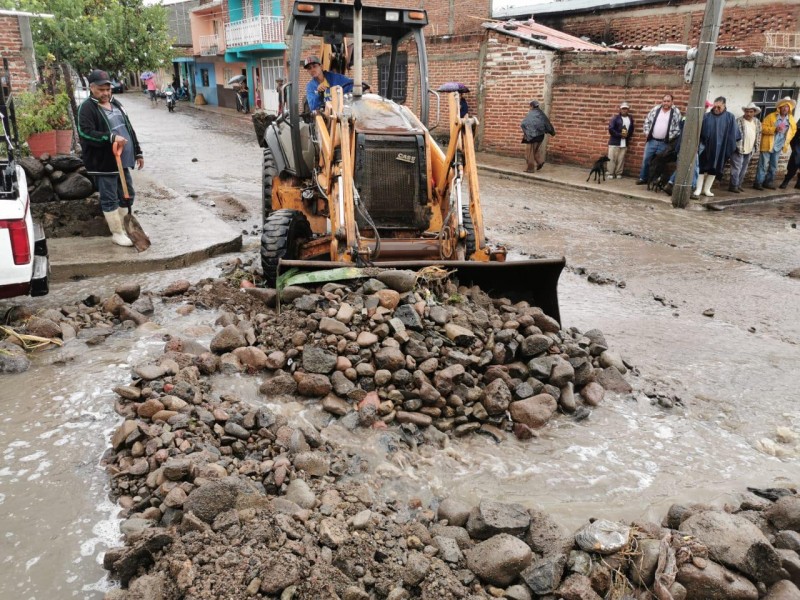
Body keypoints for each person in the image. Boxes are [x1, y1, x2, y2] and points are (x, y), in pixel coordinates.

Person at [78, 69, 143, 247]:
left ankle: (127, 228)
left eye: (108, 89)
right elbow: (85, 133)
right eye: (101, 90)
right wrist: (110, 138)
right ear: (92, 88)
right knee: (109, 197)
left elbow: (128, 128)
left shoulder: (117, 103)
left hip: (123, 160)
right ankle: (117, 233)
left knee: (127, 194)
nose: (106, 93)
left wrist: (138, 151)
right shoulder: (87, 108)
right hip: (104, 162)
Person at [694, 96, 739, 197]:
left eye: (719, 107)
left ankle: (707, 190)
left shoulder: (730, 117)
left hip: (721, 149)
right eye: (715, 106)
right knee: (701, 167)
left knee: (714, 169)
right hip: (705, 147)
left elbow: (733, 134)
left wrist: (729, 147)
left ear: (724, 105)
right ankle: (698, 189)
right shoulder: (706, 116)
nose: (716, 109)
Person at [636, 94, 682, 185]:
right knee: (646, 160)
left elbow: (678, 127)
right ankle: (643, 178)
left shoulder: (676, 112)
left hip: (664, 142)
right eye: (664, 101)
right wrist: (646, 132)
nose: (666, 103)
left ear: (672, 102)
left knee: (660, 163)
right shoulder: (655, 109)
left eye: (668, 101)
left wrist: (670, 137)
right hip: (652, 141)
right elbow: (647, 121)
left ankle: (655, 180)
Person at [754, 96, 797, 190]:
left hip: (779, 145)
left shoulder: (791, 119)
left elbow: (793, 131)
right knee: (763, 165)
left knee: (773, 166)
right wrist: (774, 129)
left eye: (787, 107)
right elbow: (762, 128)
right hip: (768, 144)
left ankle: (768, 182)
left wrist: (786, 141)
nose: (785, 108)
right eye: (783, 106)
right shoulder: (771, 116)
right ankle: (758, 183)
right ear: (779, 107)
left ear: (789, 109)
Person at [729, 102, 762, 193]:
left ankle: (738, 184)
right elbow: (733, 135)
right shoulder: (739, 121)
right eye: (747, 111)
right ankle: (733, 185)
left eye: (751, 112)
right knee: (736, 168)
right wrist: (734, 146)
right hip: (738, 148)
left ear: (754, 112)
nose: (748, 113)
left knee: (743, 168)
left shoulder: (757, 122)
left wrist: (756, 147)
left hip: (750, 148)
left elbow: (759, 134)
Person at [520, 100, 555, 173]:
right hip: (541, 136)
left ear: (531, 106)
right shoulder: (542, 114)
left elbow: (523, 124)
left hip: (532, 136)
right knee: (535, 151)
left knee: (530, 153)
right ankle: (540, 162)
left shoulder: (531, 114)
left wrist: (527, 132)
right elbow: (547, 124)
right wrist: (552, 132)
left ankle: (530, 169)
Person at [607, 101, 633, 179]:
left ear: (628, 109)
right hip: (615, 141)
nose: (624, 110)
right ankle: (610, 173)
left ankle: (618, 173)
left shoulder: (630, 119)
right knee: (612, 158)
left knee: (621, 159)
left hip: (624, 142)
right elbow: (611, 129)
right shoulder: (615, 118)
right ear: (620, 109)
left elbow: (631, 129)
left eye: (626, 109)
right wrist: (619, 135)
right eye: (623, 108)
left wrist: (627, 136)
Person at [779, 118, 800, 189]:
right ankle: (786, 181)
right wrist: (794, 147)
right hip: (798, 145)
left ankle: (798, 183)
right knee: (794, 164)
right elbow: (795, 131)